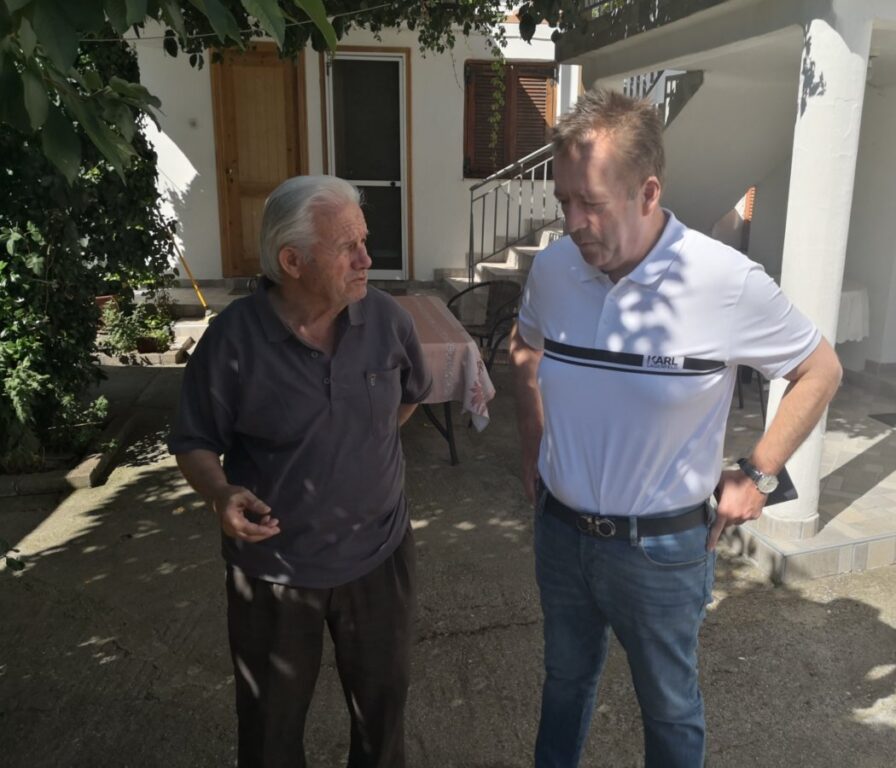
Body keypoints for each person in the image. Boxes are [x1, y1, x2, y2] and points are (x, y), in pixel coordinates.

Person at [511, 90, 843, 768]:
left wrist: (758, 474)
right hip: (560, 534)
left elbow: (820, 368)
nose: (572, 222)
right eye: (563, 200)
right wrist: (535, 447)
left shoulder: (723, 280)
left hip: (661, 551)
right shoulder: (553, 268)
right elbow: (526, 349)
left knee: (669, 707)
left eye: (591, 203)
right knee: (564, 684)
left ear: (648, 193)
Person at [168, 175, 432, 768]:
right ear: (292, 261)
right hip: (275, 570)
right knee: (270, 729)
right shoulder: (234, 340)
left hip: (379, 556)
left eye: (365, 240)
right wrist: (218, 491)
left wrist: (357, 448)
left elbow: (408, 397)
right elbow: (194, 441)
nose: (367, 259)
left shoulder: (386, 320)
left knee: (383, 717)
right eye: (347, 247)